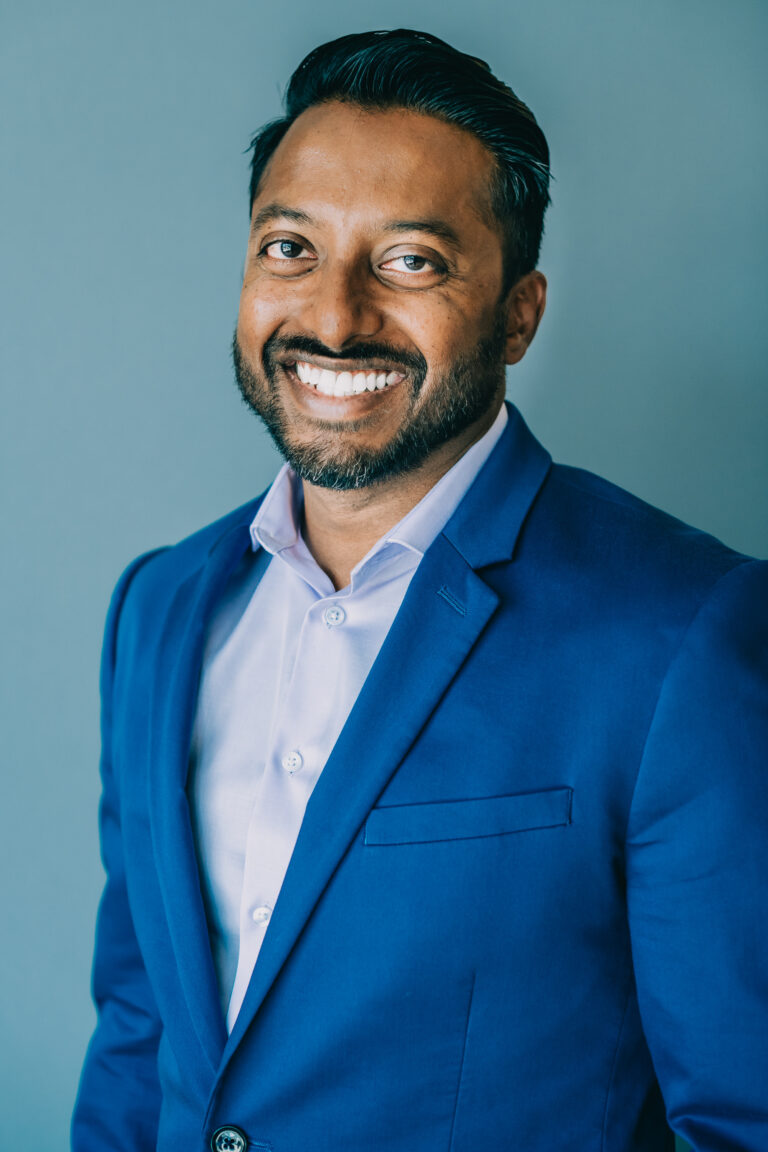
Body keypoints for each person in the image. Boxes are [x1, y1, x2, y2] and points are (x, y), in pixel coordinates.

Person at [71, 27, 768, 1152]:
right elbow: (142, 1034)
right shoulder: (156, 612)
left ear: (520, 312)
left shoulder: (687, 635)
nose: (334, 317)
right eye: (290, 246)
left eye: (410, 262)